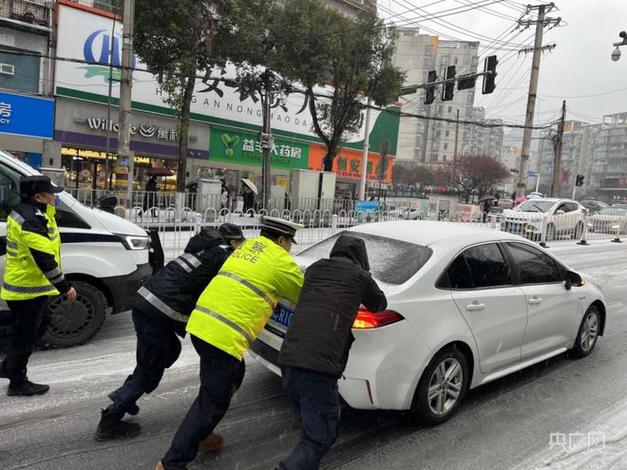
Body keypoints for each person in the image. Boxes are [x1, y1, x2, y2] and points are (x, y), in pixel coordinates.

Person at [157, 217, 304, 470]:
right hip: (223, 335)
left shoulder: (246, 248)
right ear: (282, 240)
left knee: (232, 375)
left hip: (203, 324)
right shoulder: (281, 260)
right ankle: (172, 462)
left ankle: (201, 434)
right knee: (213, 399)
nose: (290, 247)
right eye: (290, 242)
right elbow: (304, 293)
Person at [96, 224, 246, 442]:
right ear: (232, 242)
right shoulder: (221, 253)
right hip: (157, 312)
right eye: (238, 244)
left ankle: (126, 395)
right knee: (151, 368)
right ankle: (110, 419)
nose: (239, 250)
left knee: (166, 353)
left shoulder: (204, 247)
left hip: (147, 304)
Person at [276, 234, 387, 470]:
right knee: (319, 436)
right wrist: (366, 279)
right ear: (361, 259)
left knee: (312, 427)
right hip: (319, 368)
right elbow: (379, 304)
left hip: (289, 359)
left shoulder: (314, 269)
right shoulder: (360, 277)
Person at [0, 176, 77, 396]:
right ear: (38, 197)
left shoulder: (36, 213)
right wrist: (64, 286)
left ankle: (9, 367)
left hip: (31, 287)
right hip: (25, 289)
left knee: (37, 328)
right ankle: (17, 382)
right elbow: (43, 258)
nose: (54, 196)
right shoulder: (32, 220)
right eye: (51, 193)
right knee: (25, 337)